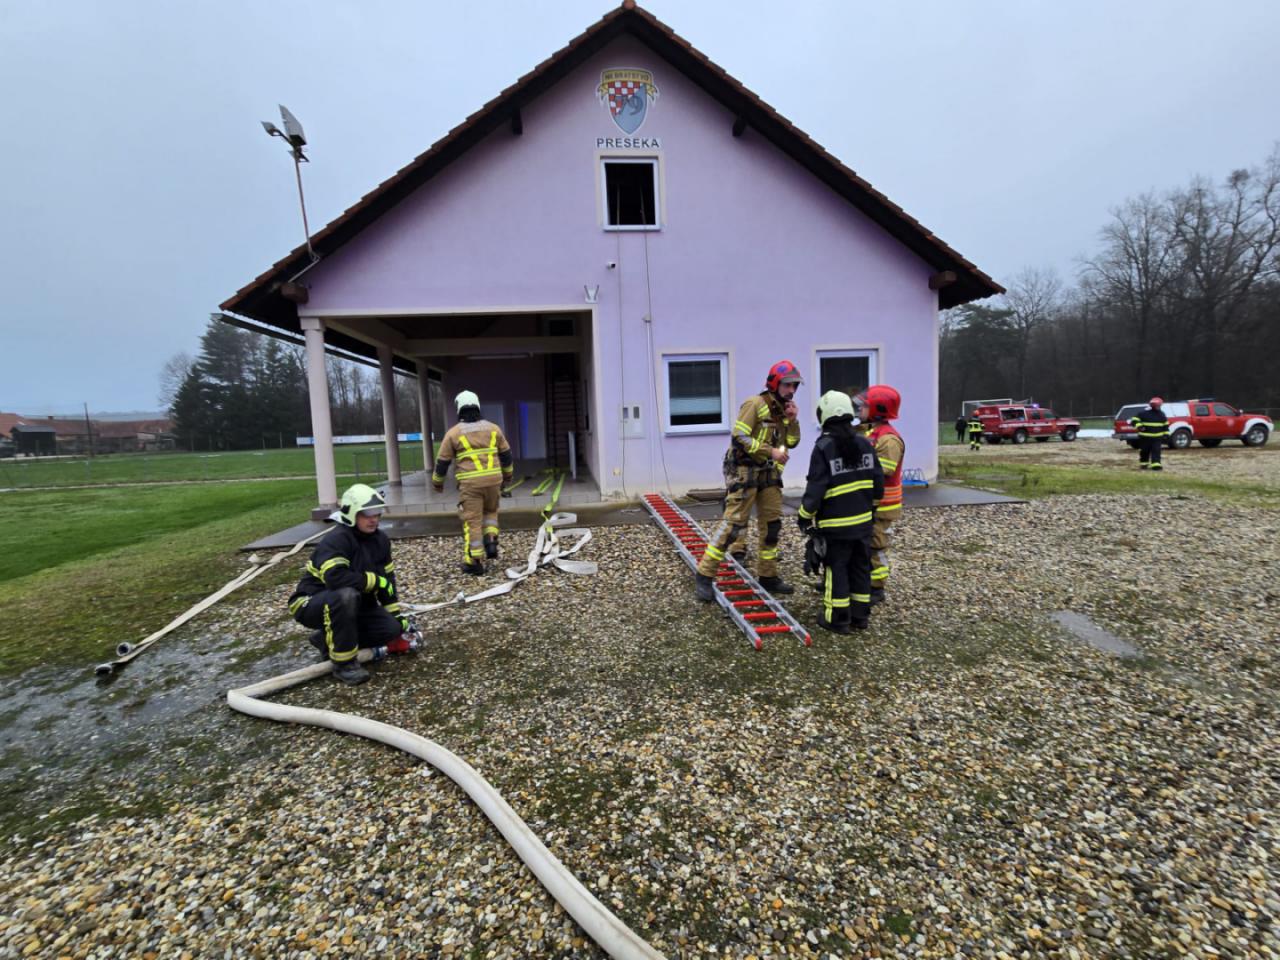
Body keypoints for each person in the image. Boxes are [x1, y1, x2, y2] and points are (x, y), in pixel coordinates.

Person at [694, 360, 803, 601]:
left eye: (795, 385)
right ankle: (705, 574)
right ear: (775, 383)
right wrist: (769, 451)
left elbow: (793, 442)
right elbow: (739, 435)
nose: (792, 390)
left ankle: (768, 576)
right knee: (733, 526)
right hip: (744, 471)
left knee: (772, 526)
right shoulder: (755, 404)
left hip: (770, 475)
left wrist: (793, 421)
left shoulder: (785, 410)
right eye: (787, 385)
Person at [288, 483, 409, 686]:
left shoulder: (380, 540)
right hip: (313, 602)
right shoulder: (337, 540)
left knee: (390, 629)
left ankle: (327, 640)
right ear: (352, 513)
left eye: (377, 513)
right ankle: (344, 665)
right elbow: (336, 578)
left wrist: (396, 615)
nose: (374, 519)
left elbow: (388, 581)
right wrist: (374, 581)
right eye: (367, 514)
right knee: (346, 595)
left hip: (355, 603)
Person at [796, 391, 883, 633]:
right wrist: (871, 510)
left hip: (836, 525)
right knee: (860, 568)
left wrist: (803, 515)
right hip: (864, 523)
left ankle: (837, 619)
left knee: (836, 569)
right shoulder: (865, 443)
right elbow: (878, 482)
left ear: (825, 415)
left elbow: (816, 487)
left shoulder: (824, 447)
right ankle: (860, 617)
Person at [432, 390, 515, 573]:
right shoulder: (494, 428)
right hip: (494, 481)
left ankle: (474, 561)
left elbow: (442, 462)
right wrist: (507, 476)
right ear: (477, 406)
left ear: (459, 409)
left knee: (473, 520)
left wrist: (437, 483)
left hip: (470, 485)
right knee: (491, 511)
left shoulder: (453, 434)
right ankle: (491, 540)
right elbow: (506, 455)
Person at [855, 385, 905, 605]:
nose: (860, 410)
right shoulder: (872, 433)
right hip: (870, 503)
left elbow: (883, 470)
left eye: (864, 406)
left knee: (877, 545)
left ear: (878, 409)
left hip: (884, 505)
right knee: (865, 544)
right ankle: (864, 580)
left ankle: (877, 587)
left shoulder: (888, 439)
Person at [1129, 396, 1169, 470]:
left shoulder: (1162, 414)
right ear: (1152, 405)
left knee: (1156, 451)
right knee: (1144, 451)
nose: (1157, 407)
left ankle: (1156, 465)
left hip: (1157, 438)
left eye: (1158, 405)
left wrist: (1166, 434)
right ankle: (1144, 464)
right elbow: (1134, 420)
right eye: (1156, 405)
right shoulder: (1143, 413)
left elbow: (1165, 425)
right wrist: (1140, 426)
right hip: (1145, 437)